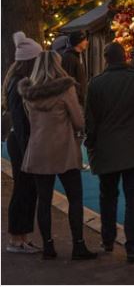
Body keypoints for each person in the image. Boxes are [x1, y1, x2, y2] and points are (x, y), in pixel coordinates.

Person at [85, 42, 134, 263]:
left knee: (107, 196)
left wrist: (91, 145)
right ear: (125, 58)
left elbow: (90, 121)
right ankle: (132, 246)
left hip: (107, 148)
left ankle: (108, 239)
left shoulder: (96, 84)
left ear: (106, 59)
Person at [19, 51, 96, 260]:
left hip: (38, 150)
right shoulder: (65, 88)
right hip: (64, 151)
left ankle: (48, 247)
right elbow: (79, 121)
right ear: (57, 65)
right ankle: (78, 246)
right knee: (75, 198)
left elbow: (29, 120)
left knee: (43, 200)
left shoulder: (28, 92)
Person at [4, 32, 42, 254]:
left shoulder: (15, 81)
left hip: (19, 141)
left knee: (25, 188)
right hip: (22, 143)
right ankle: (17, 238)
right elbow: (21, 120)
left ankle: (21, 237)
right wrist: (30, 147)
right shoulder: (20, 84)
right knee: (24, 189)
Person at [61, 31, 89, 107]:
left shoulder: (79, 55)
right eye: (84, 40)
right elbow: (68, 80)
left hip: (79, 99)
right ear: (78, 42)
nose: (86, 42)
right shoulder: (69, 58)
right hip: (74, 101)